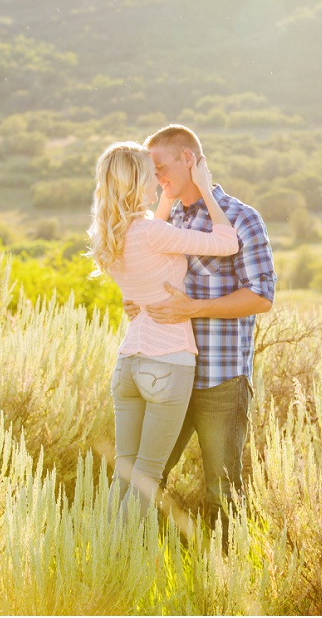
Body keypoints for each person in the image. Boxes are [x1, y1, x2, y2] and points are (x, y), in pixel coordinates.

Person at [124, 124, 276, 535]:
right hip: (167, 374)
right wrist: (137, 302)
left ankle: (226, 591)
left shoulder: (242, 219)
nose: (155, 179)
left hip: (220, 380)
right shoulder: (164, 220)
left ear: (188, 159)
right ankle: (134, 577)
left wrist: (196, 308)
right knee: (145, 482)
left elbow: (262, 296)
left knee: (222, 493)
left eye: (159, 167)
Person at [86, 141, 239, 512]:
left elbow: (149, 247)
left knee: (125, 471)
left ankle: (101, 556)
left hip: (129, 365)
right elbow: (227, 241)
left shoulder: (110, 236)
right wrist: (204, 186)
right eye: (151, 175)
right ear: (139, 182)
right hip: (167, 362)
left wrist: (166, 201)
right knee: (147, 477)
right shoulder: (152, 233)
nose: (158, 182)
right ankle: (118, 561)